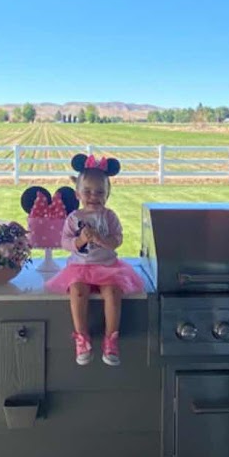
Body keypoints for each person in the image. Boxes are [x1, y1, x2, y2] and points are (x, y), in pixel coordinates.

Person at [46, 154, 144, 366]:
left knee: (113, 293)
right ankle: (82, 338)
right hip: (80, 267)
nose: (93, 196)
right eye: (87, 191)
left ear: (107, 194)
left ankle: (111, 339)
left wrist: (102, 239)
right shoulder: (74, 218)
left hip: (107, 267)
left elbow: (117, 240)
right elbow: (65, 242)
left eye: (100, 192)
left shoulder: (109, 216)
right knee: (77, 291)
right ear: (78, 193)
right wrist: (81, 240)